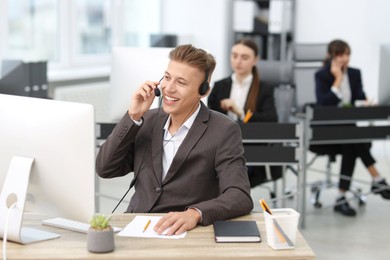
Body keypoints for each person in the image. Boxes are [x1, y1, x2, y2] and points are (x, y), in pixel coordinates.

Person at [96, 44, 253, 235]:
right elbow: (105, 168)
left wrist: (195, 213)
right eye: (167, 78)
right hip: (137, 228)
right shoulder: (147, 120)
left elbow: (239, 195)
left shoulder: (223, 130)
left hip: (183, 233)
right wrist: (133, 116)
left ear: (203, 91)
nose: (169, 89)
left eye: (181, 82)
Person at [315, 39, 390, 217]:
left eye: (347, 54)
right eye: (340, 55)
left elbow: (358, 99)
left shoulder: (355, 74)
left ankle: (342, 198)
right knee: (353, 136)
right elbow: (323, 105)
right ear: (331, 56)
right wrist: (338, 79)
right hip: (326, 130)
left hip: (348, 131)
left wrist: (366, 103)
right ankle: (376, 178)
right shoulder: (322, 75)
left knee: (351, 141)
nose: (344, 58)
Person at [208, 38, 280, 187]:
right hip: (222, 144)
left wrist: (241, 113)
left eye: (244, 57)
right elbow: (209, 117)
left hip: (251, 145)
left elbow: (271, 119)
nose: (238, 61)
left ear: (255, 60)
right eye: (234, 56)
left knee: (236, 172)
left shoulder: (264, 88)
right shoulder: (220, 86)